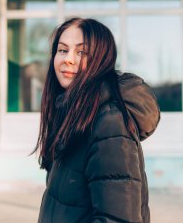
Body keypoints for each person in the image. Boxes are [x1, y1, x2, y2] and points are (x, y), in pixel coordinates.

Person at [33, 17, 160, 223]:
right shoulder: (70, 115)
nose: (69, 59)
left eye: (82, 52)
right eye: (63, 50)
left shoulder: (108, 123)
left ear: (101, 61)